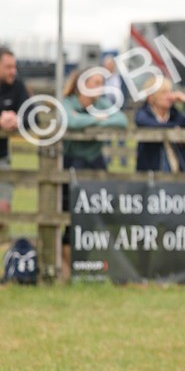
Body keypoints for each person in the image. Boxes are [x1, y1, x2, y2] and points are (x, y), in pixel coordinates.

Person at [61, 67, 128, 277]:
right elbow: (70, 121)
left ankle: (86, 266)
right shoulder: (68, 103)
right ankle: (66, 267)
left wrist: (95, 119)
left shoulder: (102, 105)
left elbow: (122, 121)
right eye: (95, 83)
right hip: (73, 163)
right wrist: (96, 120)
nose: (100, 88)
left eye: (101, 83)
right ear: (82, 84)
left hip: (96, 163)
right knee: (70, 215)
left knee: (96, 214)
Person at [135, 75, 185, 172]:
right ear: (151, 97)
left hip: (178, 173)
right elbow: (151, 125)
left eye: (170, 92)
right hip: (151, 174)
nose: (169, 96)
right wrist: (175, 128)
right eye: (164, 93)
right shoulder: (143, 114)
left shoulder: (175, 115)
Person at [0, 48, 31, 214]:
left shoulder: (17, 85)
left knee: (4, 210)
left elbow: (32, 114)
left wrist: (16, 120)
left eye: (14, 66)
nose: (13, 71)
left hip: (3, 157)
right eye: (8, 67)